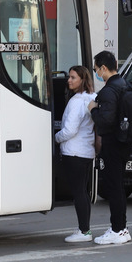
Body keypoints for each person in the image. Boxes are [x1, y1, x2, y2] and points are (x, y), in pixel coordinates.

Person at [88, 51, 132, 245]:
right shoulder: (125, 84)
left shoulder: (108, 91)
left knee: (114, 187)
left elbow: (105, 120)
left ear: (104, 68)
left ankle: (118, 229)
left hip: (112, 143)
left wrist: (93, 109)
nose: (96, 72)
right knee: (119, 186)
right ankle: (121, 227)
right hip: (124, 142)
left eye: (96, 69)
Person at [55, 66, 97, 243]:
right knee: (83, 192)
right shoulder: (91, 98)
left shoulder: (75, 102)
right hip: (87, 151)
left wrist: (56, 138)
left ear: (82, 80)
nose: (69, 80)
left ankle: (84, 231)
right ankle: (84, 228)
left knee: (78, 192)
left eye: (73, 77)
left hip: (74, 152)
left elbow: (69, 130)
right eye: (69, 77)